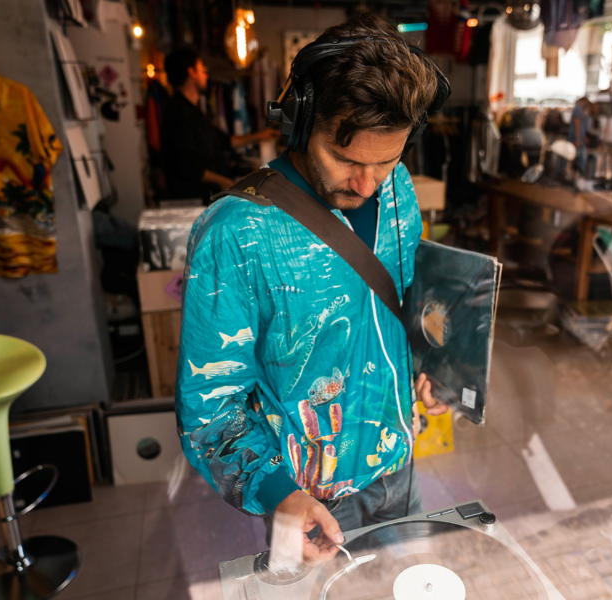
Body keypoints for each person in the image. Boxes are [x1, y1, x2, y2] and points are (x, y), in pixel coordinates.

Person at [174, 14, 448, 565]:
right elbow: (210, 410)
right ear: (300, 122)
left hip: (402, 465)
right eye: (345, 158)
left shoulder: (397, 191)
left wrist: (434, 365)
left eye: (388, 160)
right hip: (311, 504)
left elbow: (402, 303)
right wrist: (279, 497)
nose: (368, 184)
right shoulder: (236, 233)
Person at [161, 48, 278, 201]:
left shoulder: (194, 112)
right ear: (191, 72)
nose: (206, 75)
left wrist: (261, 136)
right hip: (193, 202)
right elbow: (189, 167)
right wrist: (228, 184)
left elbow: (222, 141)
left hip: (206, 198)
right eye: (202, 70)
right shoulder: (178, 114)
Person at [568, 97, 591, 176]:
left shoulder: (579, 109)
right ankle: (580, 176)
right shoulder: (578, 109)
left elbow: (581, 126)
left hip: (578, 138)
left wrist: (583, 137)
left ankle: (577, 176)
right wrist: (578, 138)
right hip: (576, 138)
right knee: (579, 158)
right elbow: (577, 123)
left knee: (576, 157)